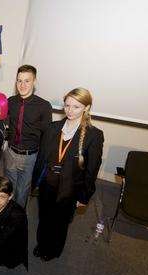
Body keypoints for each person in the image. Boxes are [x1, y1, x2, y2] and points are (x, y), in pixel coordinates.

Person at [32, 88, 104, 261]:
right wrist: (35, 181)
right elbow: (42, 158)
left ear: (86, 108)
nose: (70, 111)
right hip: (47, 184)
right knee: (44, 217)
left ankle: (53, 249)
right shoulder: (52, 128)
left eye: (76, 107)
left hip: (69, 189)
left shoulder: (94, 135)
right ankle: (41, 244)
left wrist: (84, 196)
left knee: (60, 222)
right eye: (67, 105)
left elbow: (92, 170)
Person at [4, 65, 52, 209]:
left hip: (30, 157)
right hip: (11, 153)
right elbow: (0, 121)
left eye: (27, 81)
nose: (22, 85)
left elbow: (46, 136)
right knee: (9, 189)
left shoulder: (44, 106)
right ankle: (7, 216)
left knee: (22, 192)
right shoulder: (10, 101)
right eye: (19, 81)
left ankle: (18, 221)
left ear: (34, 82)